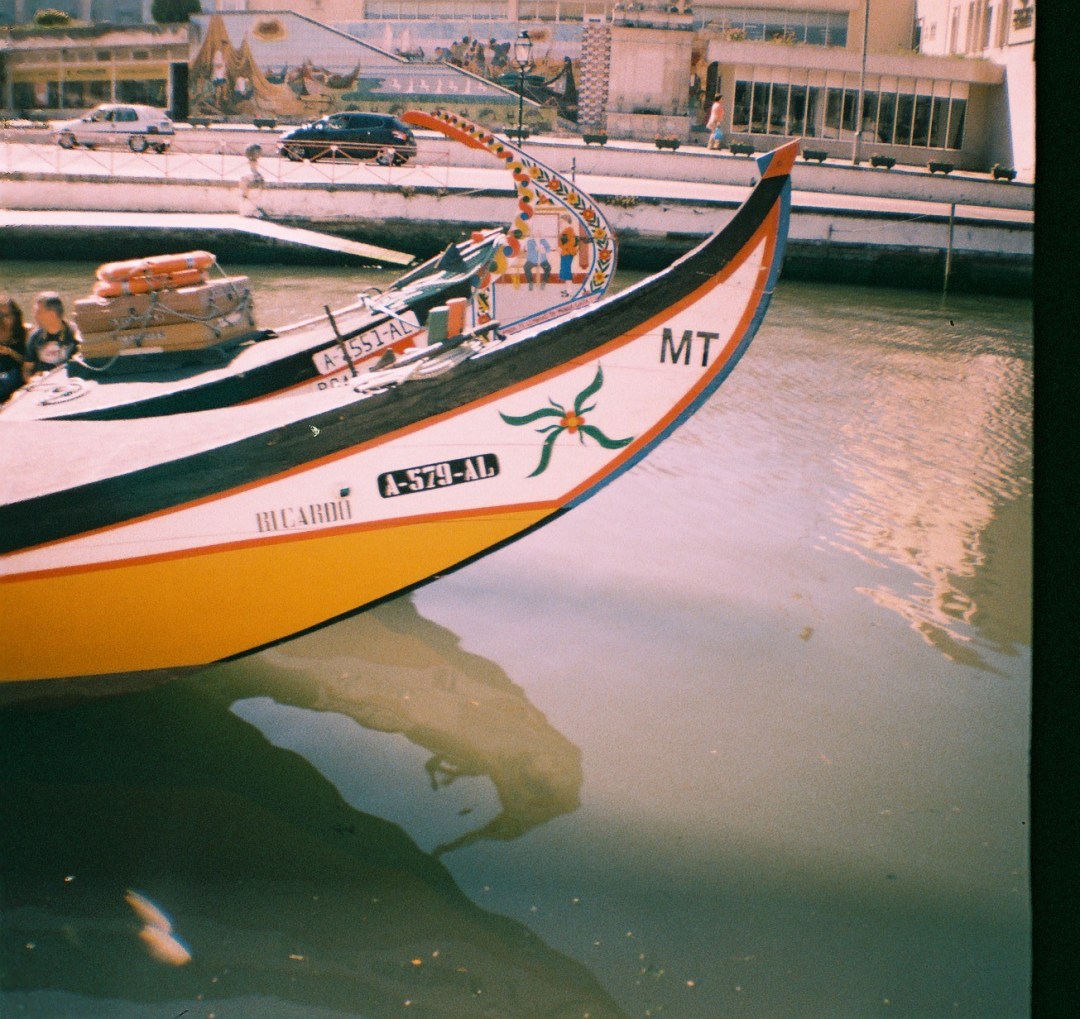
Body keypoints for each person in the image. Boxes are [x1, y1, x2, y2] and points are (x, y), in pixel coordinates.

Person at [23, 291, 79, 381]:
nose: (35, 316)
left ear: (52, 315)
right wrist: (31, 380)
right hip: (43, 383)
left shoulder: (75, 334)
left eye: (38, 312)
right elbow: (27, 369)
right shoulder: (35, 337)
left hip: (70, 382)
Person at [0, 294, 28, 402]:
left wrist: (10, 352)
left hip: (15, 374)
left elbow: (26, 362)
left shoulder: (24, 333)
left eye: (6, 315)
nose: (3, 319)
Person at [557, 216, 580, 283]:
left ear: (566, 221)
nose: (560, 224)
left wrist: (561, 248)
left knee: (566, 271)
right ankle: (568, 288)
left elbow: (571, 243)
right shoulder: (566, 230)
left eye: (561, 222)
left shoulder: (569, 230)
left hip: (567, 252)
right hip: (565, 252)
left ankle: (569, 288)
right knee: (565, 270)